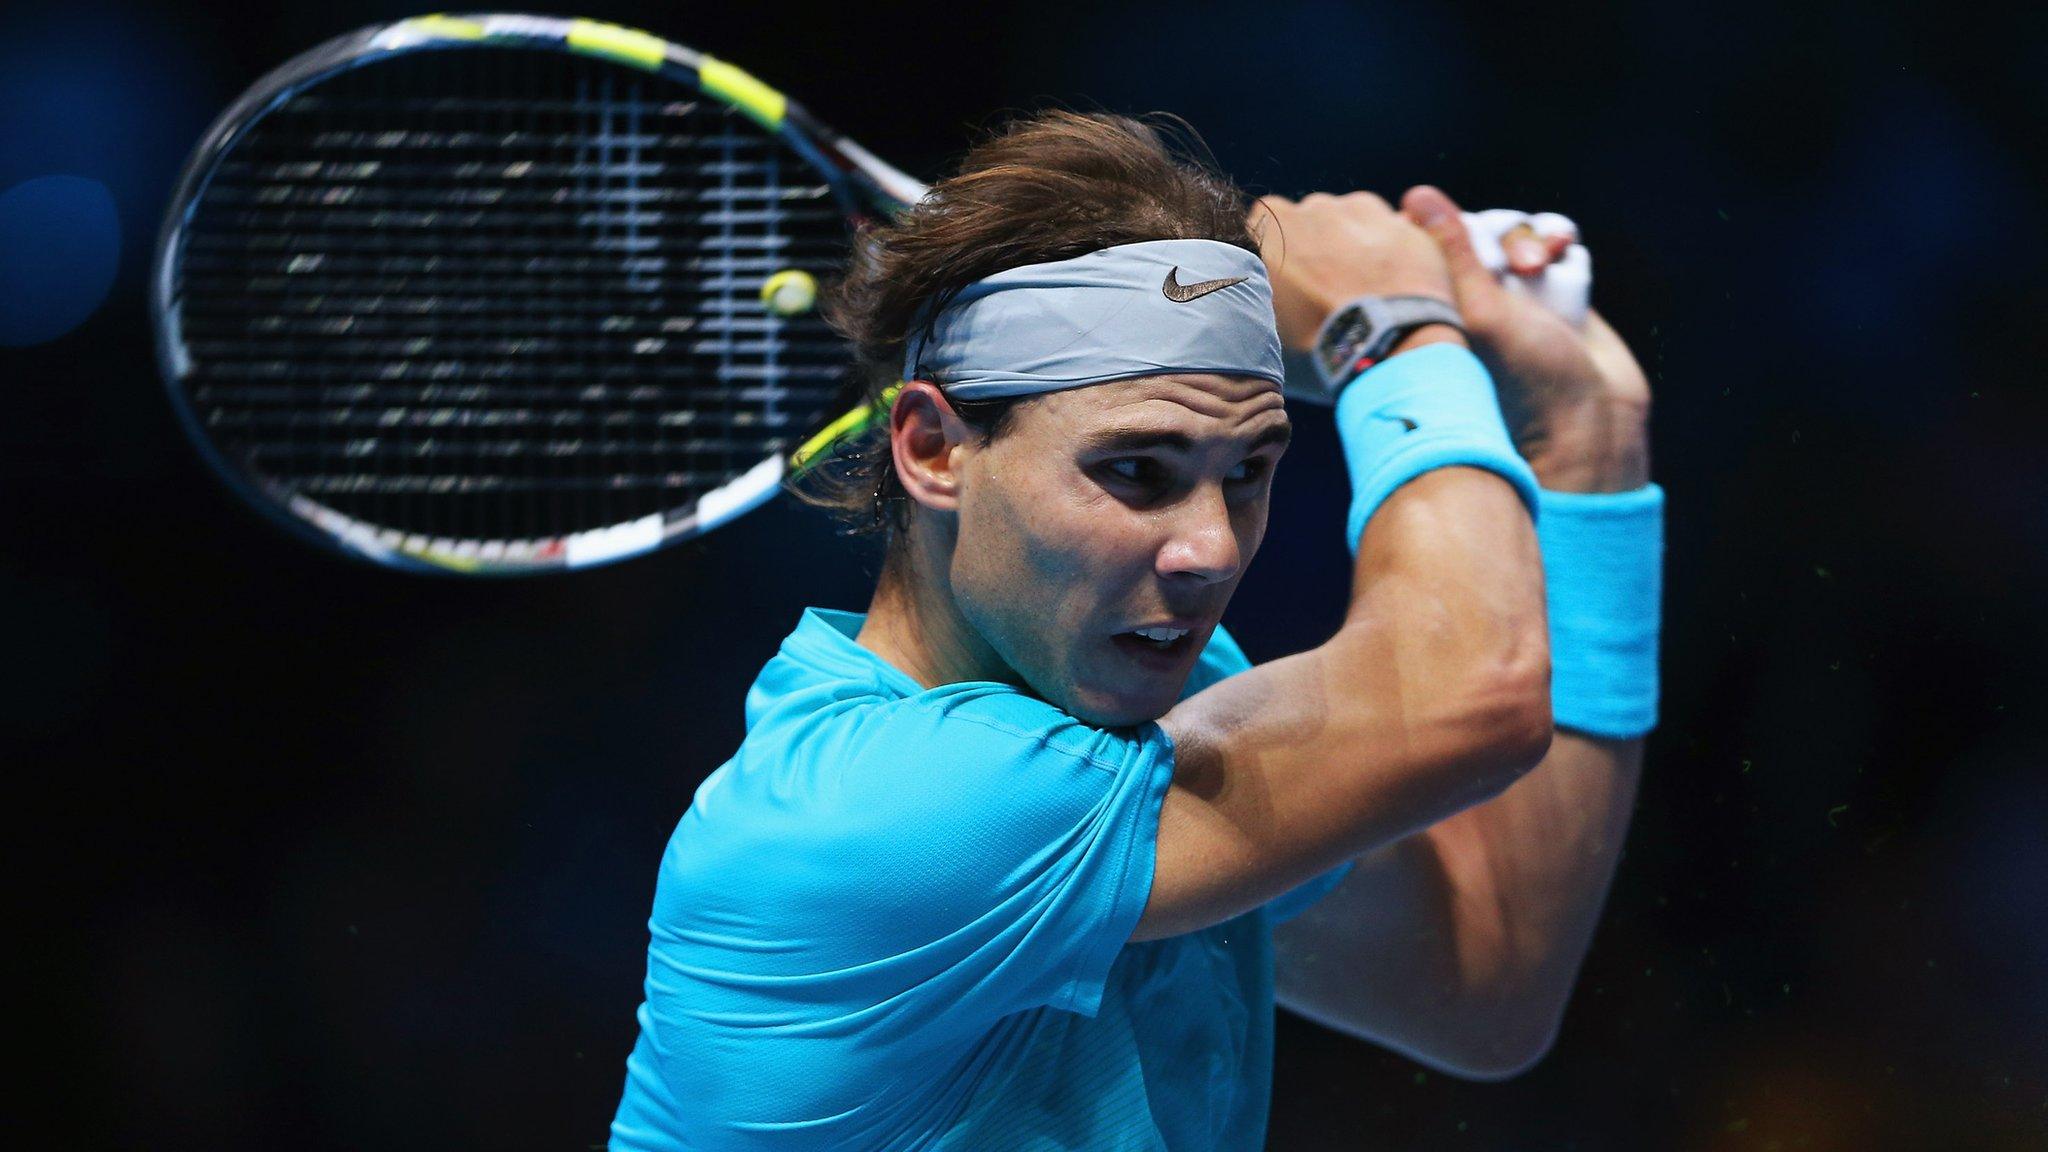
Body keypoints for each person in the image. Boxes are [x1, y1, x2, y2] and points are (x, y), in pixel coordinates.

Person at [610, 110, 1660, 1150]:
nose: (1207, 549)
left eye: (1245, 474)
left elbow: (1484, 978)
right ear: (932, 448)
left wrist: (1584, 436)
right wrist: (1389, 336)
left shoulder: (1182, 695)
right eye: (1134, 472)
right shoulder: (874, 811)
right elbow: (1472, 694)